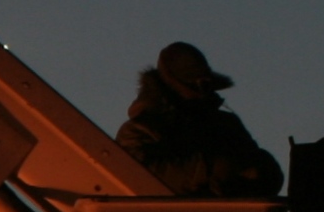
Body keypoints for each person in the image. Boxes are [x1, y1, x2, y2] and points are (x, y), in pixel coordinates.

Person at [117, 41, 283, 198]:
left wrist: (262, 170)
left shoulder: (226, 124)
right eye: (193, 81)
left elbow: (260, 172)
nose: (202, 87)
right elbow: (136, 176)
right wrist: (212, 169)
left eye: (204, 81)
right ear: (173, 84)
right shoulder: (140, 129)